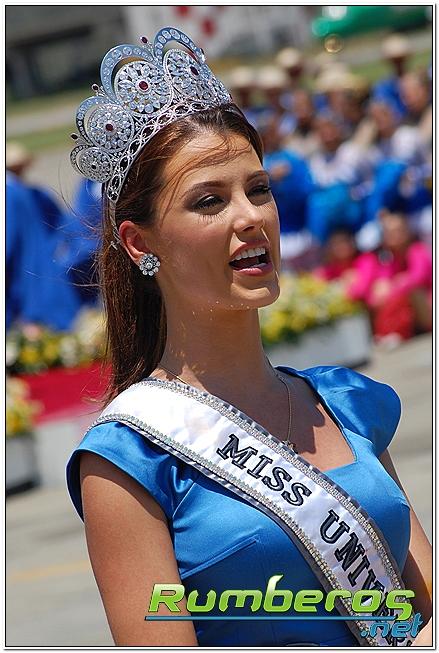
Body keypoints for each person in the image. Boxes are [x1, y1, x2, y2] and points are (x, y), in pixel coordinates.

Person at [66, 28, 432, 647]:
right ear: (139, 242)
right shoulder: (130, 459)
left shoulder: (343, 404)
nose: (250, 216)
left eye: (258, 189)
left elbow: (409, 618)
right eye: (209, 201)